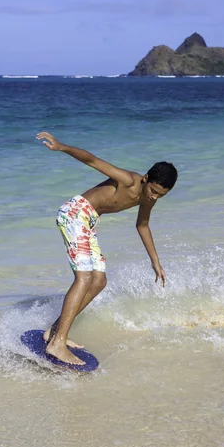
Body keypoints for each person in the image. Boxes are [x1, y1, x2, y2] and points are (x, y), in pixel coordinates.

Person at [36, 132, 178, 365]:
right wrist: (61, 147)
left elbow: (142, 224)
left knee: (99, 281)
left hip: (89, 221)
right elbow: (91, 160)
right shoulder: (128, 180)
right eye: (153, 191)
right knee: (84, 278)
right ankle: (57, 343)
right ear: (145, 178)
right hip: (75, 213)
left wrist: (155, 261)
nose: (154, 197)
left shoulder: (148, 199)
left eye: (160, 196)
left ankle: (54, 332)